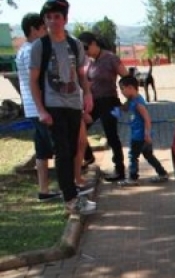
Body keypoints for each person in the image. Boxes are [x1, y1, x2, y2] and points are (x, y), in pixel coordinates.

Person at [28, 0, 96, 216]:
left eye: (57, 17)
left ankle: (72, 193)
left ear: (65, 19)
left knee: (75, 148)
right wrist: (41, 110)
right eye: (48, 17)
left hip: (73, 104)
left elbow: (82, 74)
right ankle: (70, 200)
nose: (53, 21)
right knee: (63, 152)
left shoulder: (75, 44)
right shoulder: (41, 46)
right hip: (53, 105)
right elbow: (33, 80)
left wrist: (87, 94)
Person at [15, 12, 59, 202]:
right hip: (41, 108)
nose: (46, 30)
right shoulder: (33, 50)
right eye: (43, 27)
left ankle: (44, 190)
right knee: (60, 148)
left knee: (42, 152)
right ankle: (70, 188)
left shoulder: (23, 50)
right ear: (33, 29)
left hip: (33, 109)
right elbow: (38, 81)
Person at [77, 32, 128, 183]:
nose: (84, 51)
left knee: (112, 136)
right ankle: (88, 156)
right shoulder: (87, 61)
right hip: (92, 102)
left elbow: (126, 77)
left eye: (86, 47)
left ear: (94, 43)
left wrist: (130, 100)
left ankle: (119, 170)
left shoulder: (110, 58)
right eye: (81, 49)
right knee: (79, 129)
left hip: (110, 101)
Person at [117, 75, 170, 185]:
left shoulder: (138, 103)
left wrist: (147, 134)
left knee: (133, 156)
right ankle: (162, 173)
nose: (121, 91)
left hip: (139, 136)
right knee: (149, 156)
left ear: (131, 88)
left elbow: (147, 119)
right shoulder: (133, 99)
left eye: (122, 88)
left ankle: (132, 178)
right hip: (140, 134)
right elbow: (125, 108)